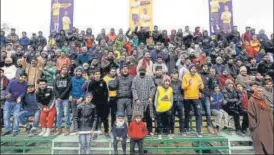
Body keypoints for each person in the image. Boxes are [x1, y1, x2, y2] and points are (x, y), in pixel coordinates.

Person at [248, 87, 273, 155]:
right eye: (259, 91)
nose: (261, 93)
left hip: (267, 125)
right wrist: (254, 125)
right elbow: (250, 113)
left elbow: (269, 111)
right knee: (259, 140)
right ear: (255, 92)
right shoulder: (252, 100)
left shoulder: (264, 100)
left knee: (269, 140)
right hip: (258, 124)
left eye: (262, 91)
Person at [132, 66, 156, 136]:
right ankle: (138, 131)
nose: (142, 73)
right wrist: (136, 99)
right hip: (138, 101)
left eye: (143, 72)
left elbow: (153, 88)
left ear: (145, 71)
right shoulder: (135, 79)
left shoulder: (149, 78)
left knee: (149, 117)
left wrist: (151, 97)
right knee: (138, 117)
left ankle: (149, 131)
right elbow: (133, 89)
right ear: (139, 72)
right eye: (141, 72)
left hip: (148, 101)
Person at [2, 72, 27, 136]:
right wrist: (8, 93)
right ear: (19, 77)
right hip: (8, 101)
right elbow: (7, 90)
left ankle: (15, 130)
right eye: (22, 77)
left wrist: (20, 97)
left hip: (17, 103)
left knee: (16, 117)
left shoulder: (25, 84)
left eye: (24, 78)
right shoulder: (12, 82)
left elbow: (24, 92)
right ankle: (7, 129)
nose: (23, 79)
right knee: (6, 116)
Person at [181, 65, 204, 138]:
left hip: (196, 97)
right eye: (192, 69)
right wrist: (188, 83)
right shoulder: (186, 76)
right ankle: (186, 129)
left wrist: (200, 85)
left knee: (198, 114)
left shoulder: (198, 76)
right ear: (190, 69)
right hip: (187, 97)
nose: (194, 70)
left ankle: (198, 131)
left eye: (195, 69)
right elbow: (183, 87)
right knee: (187, 114)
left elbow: (202, 87)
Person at [87, 69, 109, 138]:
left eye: (98, 74)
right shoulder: (91, 83)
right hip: (94, 104)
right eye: (96, 74)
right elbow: (89, 93)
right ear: (94, 75)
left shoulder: (103, 82)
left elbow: (106, 92)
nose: (97, 75)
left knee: (105, 118)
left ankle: (106, 131)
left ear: (100, 75)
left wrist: (106, 101)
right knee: (95, 118)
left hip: (103, 103)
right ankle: (95, 132)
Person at [54, 66, 72, 136]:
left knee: (66, 114)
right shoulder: (57, 77)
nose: (64, 71)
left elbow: (68, 88)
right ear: (61, 70)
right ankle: (59, 129)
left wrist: (61, 97)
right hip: (57, 99)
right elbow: (55, 88)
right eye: (63, 69)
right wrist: (58, 97)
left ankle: (67, 129)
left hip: (65, 99)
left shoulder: (69, 78)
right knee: (58, 114)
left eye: (66, 69)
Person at [70, 67, 86, 133]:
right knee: (74, 115)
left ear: (82, 73)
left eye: (80, 71)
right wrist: (70, 95)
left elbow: (84, 90)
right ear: (75, 72)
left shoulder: (84, 80)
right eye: (77, 71)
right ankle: (75, 128)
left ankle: (81, 127)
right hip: (73, 98)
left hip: (80, 99)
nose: (78, 73)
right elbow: (70, 88)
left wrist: (82, 97)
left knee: (81, 114)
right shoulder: (72, 79)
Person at [170, 69, 185, 136]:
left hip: (180, 100)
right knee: (172, 117)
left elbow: (183, 91)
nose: (176, 75)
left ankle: (182, 131)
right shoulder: (169, 82)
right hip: (172, 101)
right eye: (174, 73)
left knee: (181, 116)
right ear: (171, 75)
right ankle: (172, 131)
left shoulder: (181, 82)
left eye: (177, 73)